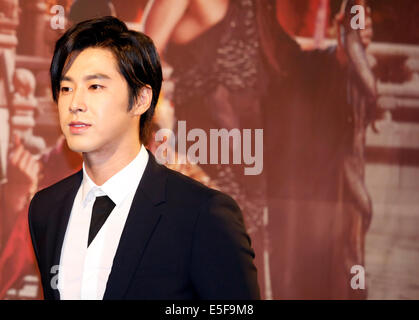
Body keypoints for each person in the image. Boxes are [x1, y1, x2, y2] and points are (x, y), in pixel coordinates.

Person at [143, 0, 374, 299]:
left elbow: (294, 75)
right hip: (202, 165)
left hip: (249, 172)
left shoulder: (256, 10)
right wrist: (155, 143)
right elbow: (140, 60)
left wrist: (344, 53)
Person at [27, 16, 259, 300]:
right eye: (66, 88)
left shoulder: (202, 214)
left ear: (141, 99)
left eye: (95, 87)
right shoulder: (47, 208)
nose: (75, 103)